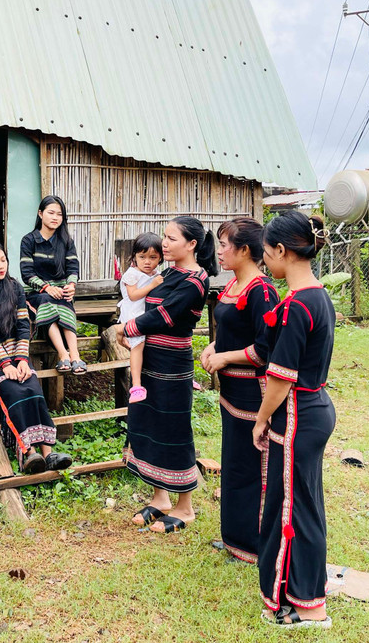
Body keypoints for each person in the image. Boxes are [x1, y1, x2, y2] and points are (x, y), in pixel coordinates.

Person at [252, 210, 335, 629]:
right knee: (304, 502)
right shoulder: (318, 296)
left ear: (282, 251)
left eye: (267, 254)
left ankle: (307, 607)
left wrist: (260, 420)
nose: (266, 262)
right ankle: (303, 592)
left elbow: (281, 378)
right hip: (315, 406)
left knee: (293, 510)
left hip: (298, 412)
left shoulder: (299, 306)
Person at [119, 217, 217, 533]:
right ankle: (160, 497)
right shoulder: (167, 273)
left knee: (174, 429)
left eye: (171, 238)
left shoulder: (196, 280)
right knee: (147, 423)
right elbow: (140, 304)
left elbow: (164, 315)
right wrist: (130, 328)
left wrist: (129, 329)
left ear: (191, 244)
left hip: (172, 365)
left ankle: (185, 507)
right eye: (164, 236)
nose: (164, 243)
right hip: (148, 359)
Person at [200, 217, 280, 563]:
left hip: (253, 393)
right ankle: (233, 538)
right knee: (233, 463)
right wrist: (214, 346)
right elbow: (234, 329)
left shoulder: (262, 291)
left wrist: (224, 358)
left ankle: (254, 545)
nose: (218, 251)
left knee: (252, 468)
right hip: (231, 393)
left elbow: (264, 350)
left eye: (224, 245)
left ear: (245, 250)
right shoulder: (233, 285)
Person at [0, 242, 72, 474]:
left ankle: (48, 453)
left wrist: (21, 359)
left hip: (16, 355)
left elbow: (22, 326)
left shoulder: (14, 288)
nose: (1, 266)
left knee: (32, 388)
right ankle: (28, 453)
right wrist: (5, 364)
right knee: (12, 392)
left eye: (3, 260)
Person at [19, 195, 86, 374]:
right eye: (51, 212)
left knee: (64, 298)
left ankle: (75, 355)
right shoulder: (29, 240)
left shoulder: (66, 241)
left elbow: (73, 267)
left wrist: (71, 286)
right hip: (35, 292)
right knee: (46, 300)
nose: (55, 217)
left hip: (60, 288)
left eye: (59, 214)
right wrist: (47, 288)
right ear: (40, 214)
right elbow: (27, 273)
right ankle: (63, 354)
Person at [117, 233, 164, 403]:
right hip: (133, 314)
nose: (147, 262)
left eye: (153, 257)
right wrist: (153, 284)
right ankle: (136, 386)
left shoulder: (156, 274)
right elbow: (134, 295)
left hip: (147, 314)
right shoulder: (132, 274)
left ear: (160, 258)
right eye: (142, 257)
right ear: (135, 256)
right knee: (138, 346)